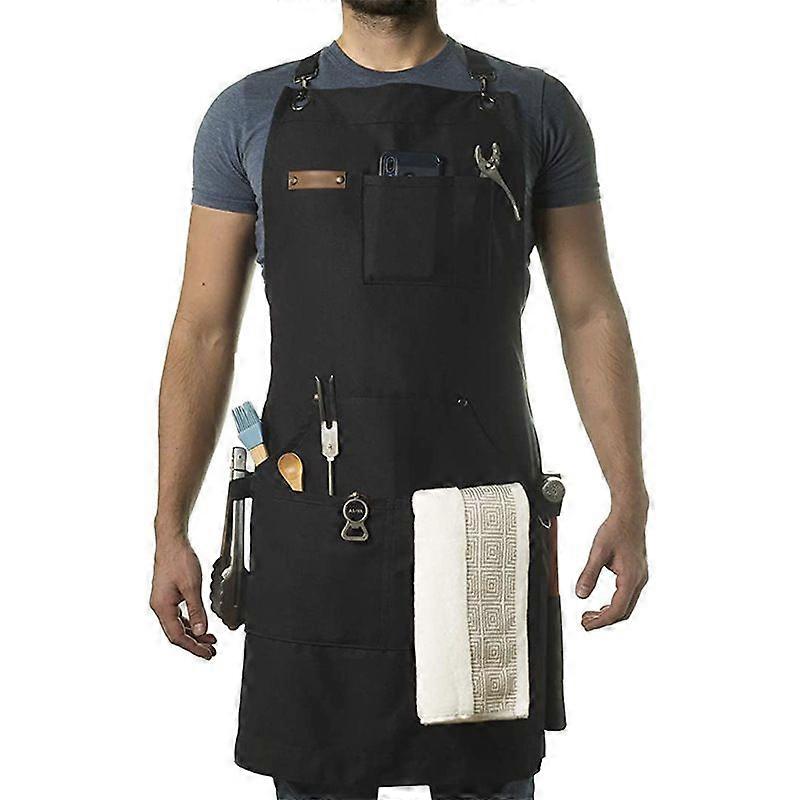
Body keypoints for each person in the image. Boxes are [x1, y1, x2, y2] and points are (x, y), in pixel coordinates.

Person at [150, 2, 649, 798]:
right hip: (313, 528)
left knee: (486, 778)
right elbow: (203, 333)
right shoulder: (250, 113)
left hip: (480, 524)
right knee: (317, 778)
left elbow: (589, 312)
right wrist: (169, 524)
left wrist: (630, 496)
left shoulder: (533, 108)